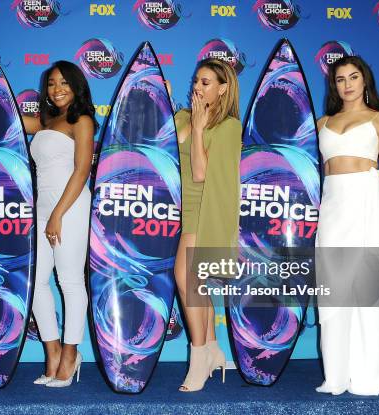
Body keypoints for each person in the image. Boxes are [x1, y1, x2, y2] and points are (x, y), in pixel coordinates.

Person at [315, 55, 379, 396]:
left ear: (364, 80)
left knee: (367, 291)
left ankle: (368, 378)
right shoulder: (322, 121)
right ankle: (336, 377)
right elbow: (322, 174)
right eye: (340, 79)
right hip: (333, 203)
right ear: (334, 85)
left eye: (354, 77)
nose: (347, 84)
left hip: (369, 200)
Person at [169, 58, 242, 392]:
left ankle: (198, 358)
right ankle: (213, 350)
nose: (198, 88)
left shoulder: (227, 127)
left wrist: (199, 129)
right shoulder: (182, 116)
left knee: (186, 279)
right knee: (195, 285)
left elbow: (200, 172)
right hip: (178, 209)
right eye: (196, 81)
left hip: (203, 207)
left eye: (206, 83)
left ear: (223, 88)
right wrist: (164, 99)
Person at [24, 61, 97, 387]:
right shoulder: (45, 121)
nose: (57, 89)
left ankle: (71, 354)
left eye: (64, 82)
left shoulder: (81, 120)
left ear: (76, 85)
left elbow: (81, 171)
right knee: (35, 283)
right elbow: (8, 121)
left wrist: (57, 215)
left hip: (71, 207)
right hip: (43, 208)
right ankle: (52, 351)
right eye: (51, 83)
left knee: (69, 281)